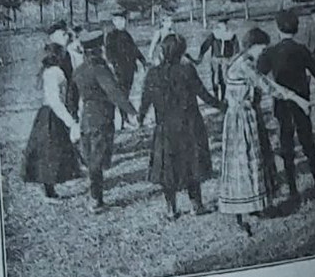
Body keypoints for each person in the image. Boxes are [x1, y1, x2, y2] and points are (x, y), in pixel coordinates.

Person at [219, 28, 312, 235]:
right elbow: (268, 85)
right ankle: (240, 215)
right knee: (243, 165)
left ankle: (256, 207)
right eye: (262, 47)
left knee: (256, 161)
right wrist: (297, 99)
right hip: (242, 119)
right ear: (253, 45)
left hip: (244, 116)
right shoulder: (245, 64)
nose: (263, 51)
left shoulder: (241, 59)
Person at [138, 33, 220, 220]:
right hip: (189, 125)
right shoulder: (187, 70)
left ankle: (171, 209)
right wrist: (223, 106)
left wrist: (140, 118)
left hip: (165, 128)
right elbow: (204, 95)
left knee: (168, 168)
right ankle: (196, 205)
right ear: (181, 51)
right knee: (192, 163)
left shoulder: (153, 74)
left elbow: (145, 101)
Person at [257, 9, 315, 205]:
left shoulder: (270, 52)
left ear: (278, 28)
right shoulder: (301, 50)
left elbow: (258, 75)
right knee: (307, 140)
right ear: (296, 29)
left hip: (282, 103)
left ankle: (293, 190)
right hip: (302, 102)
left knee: (286, 143)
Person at [72, 30, 138, 214]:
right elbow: (114, 92)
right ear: (99, 49)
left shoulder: (79, 70)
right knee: (97, 160)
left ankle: (94, 195)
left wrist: (74, 116)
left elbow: (71, 95)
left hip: (86, 117)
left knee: (93, 158)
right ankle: (96, 200)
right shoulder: (100, 69)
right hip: (101, 118)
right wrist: (132, 112)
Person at [20, 42, 83, 200]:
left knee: (48, 151)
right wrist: (70, 121)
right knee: (53, 151)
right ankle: (52, 185)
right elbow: (55, 100)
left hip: (45, 113)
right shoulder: (55, 72)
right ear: (57, 56)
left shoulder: (46, 71)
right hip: (53, 114)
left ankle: (51, 185)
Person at [104, 13, 146, 123]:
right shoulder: (111, 36)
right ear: (114, 22)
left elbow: (134, 49)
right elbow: (109, 52)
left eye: (123, 20)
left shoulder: (126, 35)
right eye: (118, 20)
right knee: (122, 94)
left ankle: (125, 118)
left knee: (126, 92)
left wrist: (142, 59)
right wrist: (113, 65)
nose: (121, 23)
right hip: (119, 69)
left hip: (129, 68)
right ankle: (123, 119)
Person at [196, 20, 239, 104]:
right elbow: (205, 45)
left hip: (226, 60)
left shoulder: (231, 35)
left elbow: (236, 48)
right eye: (220, 26)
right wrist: (201, 55)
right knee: (215, 79)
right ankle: (216, 97)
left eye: (224, 25)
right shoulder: (214, 35)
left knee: (224, 79)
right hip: (216, 59)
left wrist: (234, 59)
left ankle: (223, 98)